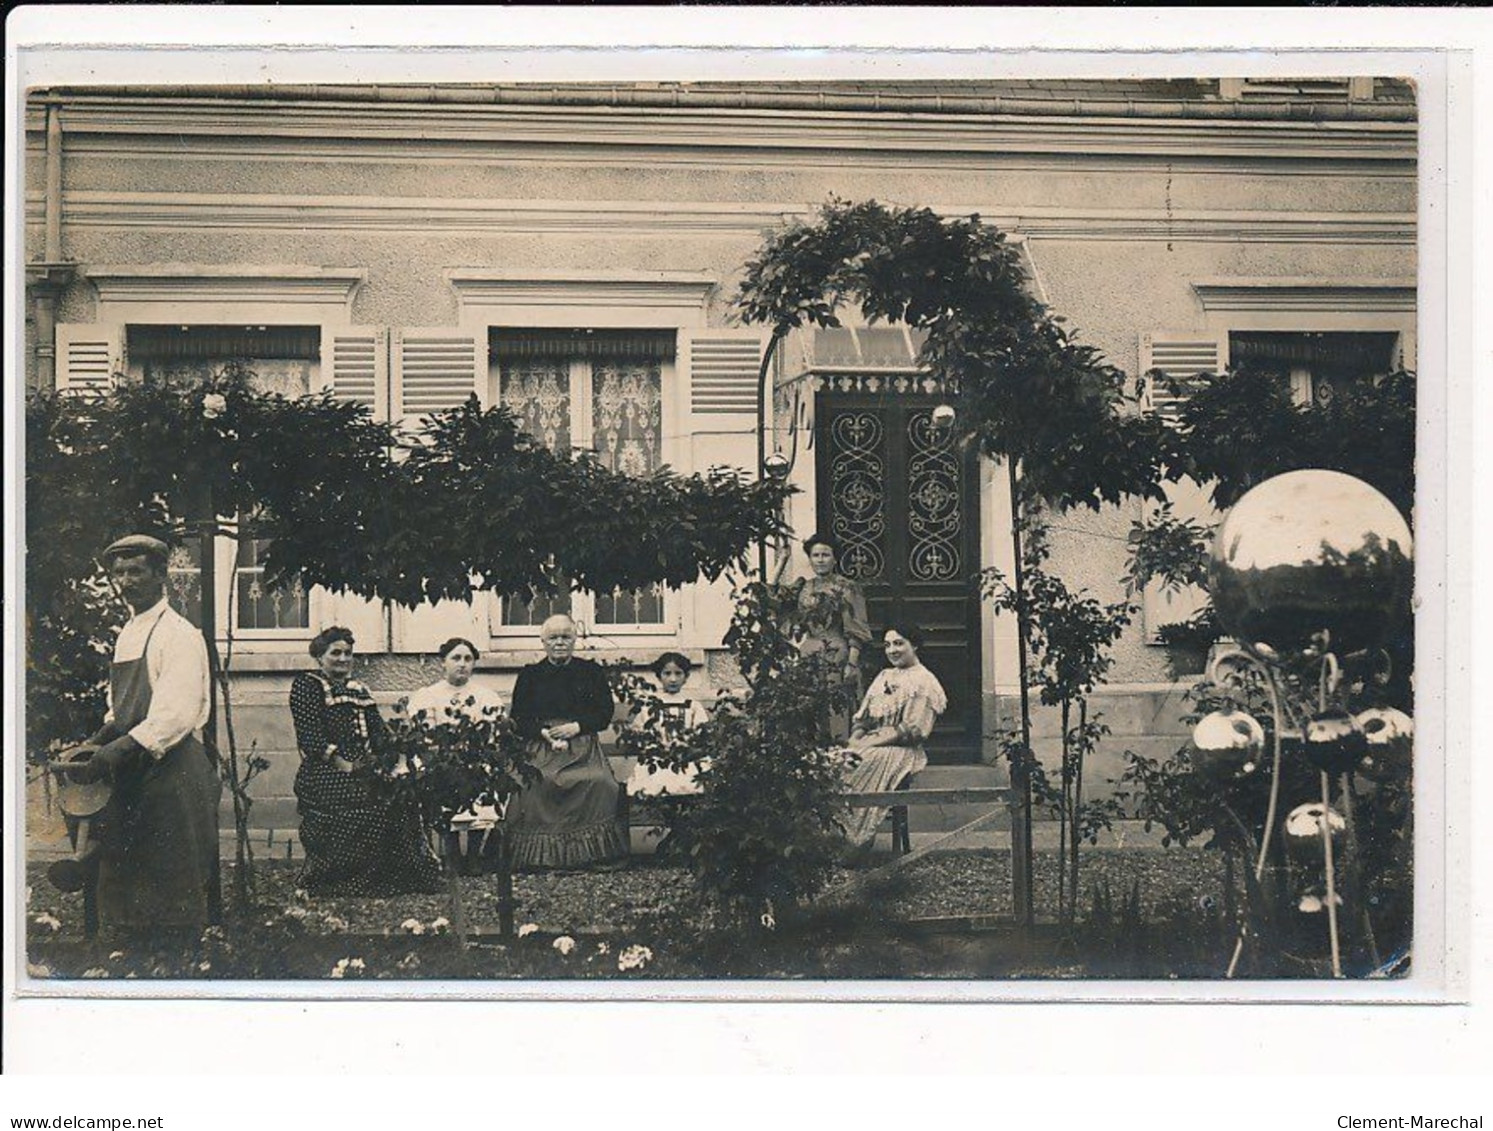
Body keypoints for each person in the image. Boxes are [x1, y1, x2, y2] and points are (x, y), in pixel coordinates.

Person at [60, 534, 222, 942]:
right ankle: (130, 953)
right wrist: (95, 744)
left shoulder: (179, 634)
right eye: (119, 573)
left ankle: (177, 960)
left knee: (172, 873)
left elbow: (175, 713)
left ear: (160, 574)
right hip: (133, 768)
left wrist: (116, 750)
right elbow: (121, 710)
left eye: (136, 571)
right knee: (127, 867)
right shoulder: (129, 633)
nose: (126, 581)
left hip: (173, 768)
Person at [290, 627, 441, 896]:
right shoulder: (308, 685)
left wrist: (398, 754)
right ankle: (348, 879)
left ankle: (395, 876)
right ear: (319, 657)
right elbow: (310, 735)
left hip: (364, 767)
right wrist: (345, 765)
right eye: (335, 653)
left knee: (400, 796)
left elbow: (379, 734)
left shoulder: (359, 690)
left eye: (348, 653)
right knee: (363, 803)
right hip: (326, 770)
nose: (343, 659)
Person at [504, 614, 628, 870]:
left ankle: (591, 856)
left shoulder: (590, 672)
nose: (559, 642)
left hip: (582, 745)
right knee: (533, 785)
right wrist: (543, 732)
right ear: (543, 641)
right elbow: (519, 717)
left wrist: (577, 726)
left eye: (565, 637)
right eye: (553, 637)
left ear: (574, 640)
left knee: (601, 782)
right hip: (541, 747)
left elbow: (604, 713)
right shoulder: (530, 675)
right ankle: (538, 859)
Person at [838, 622, 948, 853]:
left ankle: (856, 842)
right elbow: (864, 718)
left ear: (914, 645)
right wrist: (855, 740)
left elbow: (911, 731)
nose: (892, 650)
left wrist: (866, 743)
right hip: (873, 742)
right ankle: (836, 836)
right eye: (888, 645)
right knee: (836, 760)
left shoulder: (924, 681)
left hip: (902, 750)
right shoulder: (884, 676)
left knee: (861, 762)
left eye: (899, 643)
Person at [405, 637, 507, 873]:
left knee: (483, 776)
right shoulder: (428, 695)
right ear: (443, 662)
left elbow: (491, 735)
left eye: (468, 659)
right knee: (440, 781)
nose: (462, 664)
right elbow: (425, 736)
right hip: (441, 760)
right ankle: (451, 853)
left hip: (474, 759)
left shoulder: (486, 696)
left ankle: (473, 854)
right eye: (456, 658)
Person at [785, 532, 872, 741]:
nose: (821, 560)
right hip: (809, 652)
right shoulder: (804, 587)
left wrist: (851, 663)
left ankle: (839, 755)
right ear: (810, 559)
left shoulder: (847, 587)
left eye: (826, 555)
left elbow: (856, 626)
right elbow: (773, 599)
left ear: (835, 559)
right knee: (809, 706)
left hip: (837, 653)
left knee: (836, 708)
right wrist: (781, 561)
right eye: (816, 555)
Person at [624, 652, 712, 798]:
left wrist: (688, 749)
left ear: (686, 677)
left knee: (692, 775)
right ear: (659, 676)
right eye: (667, 673)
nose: (673, 679)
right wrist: (653, 747)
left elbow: (701, 734)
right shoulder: (650, 706)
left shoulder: (692, 706)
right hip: (658, 759)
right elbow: (640, 733)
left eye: (678, 674)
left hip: (686, 759)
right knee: (654, 776)